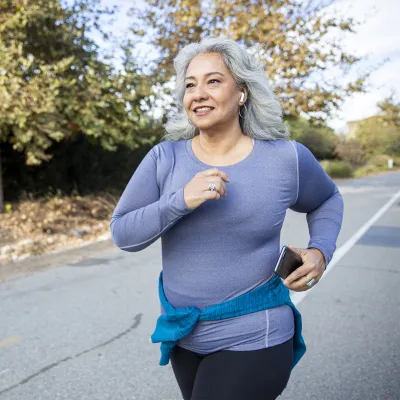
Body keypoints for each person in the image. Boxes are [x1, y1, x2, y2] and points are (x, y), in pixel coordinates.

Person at [110, 37, 344, 400]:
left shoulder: (285, 159)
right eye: (190, 85)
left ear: (243, 93)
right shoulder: (164, 158)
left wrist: (320, 251)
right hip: (184, 336)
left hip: (256, 334)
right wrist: (179, 201)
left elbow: (327, 198)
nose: (198, 93)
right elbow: (123, 232)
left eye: (213, 81)